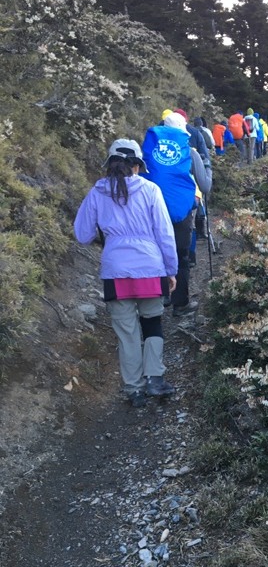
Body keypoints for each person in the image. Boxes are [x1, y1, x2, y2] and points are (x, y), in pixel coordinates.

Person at [74, 139, 178, 408]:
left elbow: (82, 235)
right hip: (150, 267)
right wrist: (171, 270)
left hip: (115, 270)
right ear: (137, 165)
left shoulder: (96, 193)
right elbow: (165, 234)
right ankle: (155, 378)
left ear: (109, 164)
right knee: (152, 323)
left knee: (126, 333)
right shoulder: (150, 190)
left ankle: (134, 390)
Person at [142, 112, 212, 315]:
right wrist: (208, 168)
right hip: (180, 213)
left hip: (152, 211)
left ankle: (158, 299)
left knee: (156, 254)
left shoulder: (147, 149)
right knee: (180, 256)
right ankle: (180, 304)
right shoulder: (190, 152)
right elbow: (205, 186)